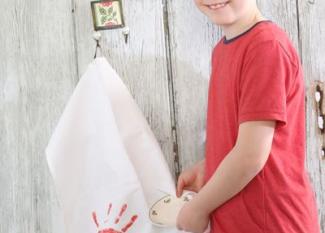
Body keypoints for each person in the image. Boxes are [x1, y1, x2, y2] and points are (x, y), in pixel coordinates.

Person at [175, 1, 321, 232]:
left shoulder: (266, 46)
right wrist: (211, 166)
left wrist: (198, 208)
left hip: (271, 221)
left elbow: (251, 156)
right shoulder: (222, 51)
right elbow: (246, 138)